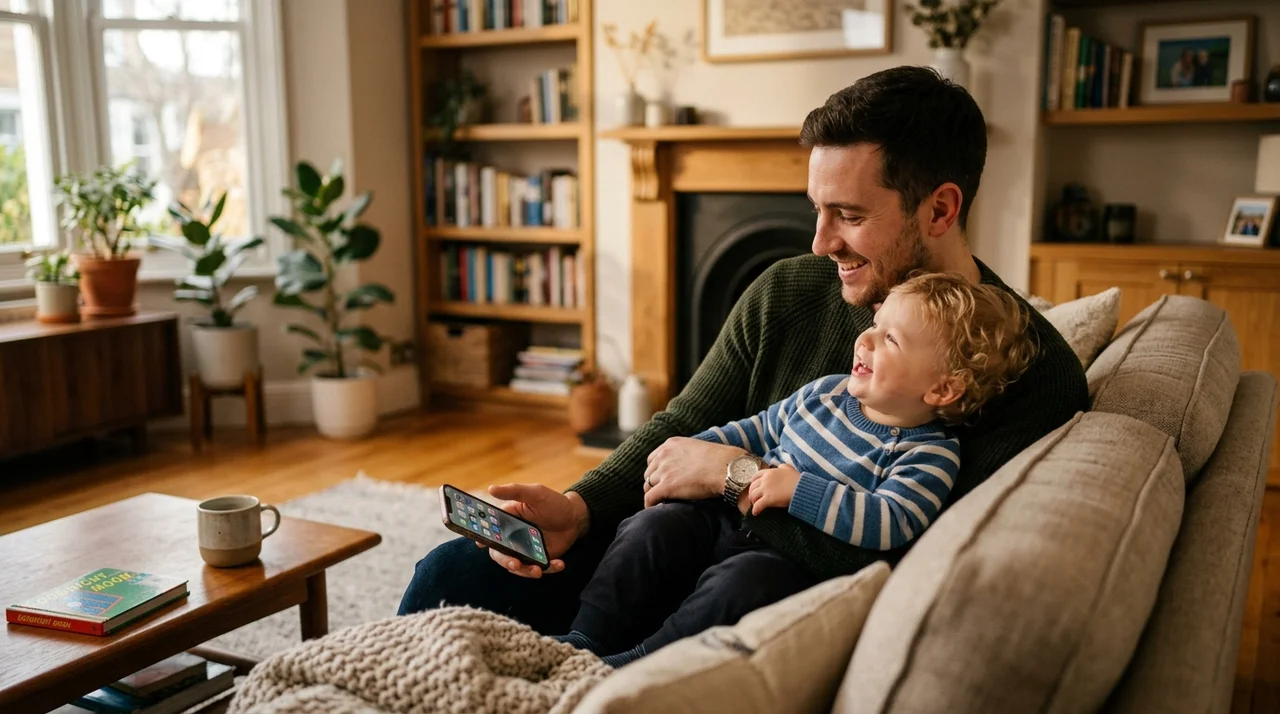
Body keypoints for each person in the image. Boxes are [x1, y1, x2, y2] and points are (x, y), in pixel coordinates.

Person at [398, 66, 1089, 655]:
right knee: (449, 575)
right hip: (671, 552)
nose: (820, 243)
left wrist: (733, 476)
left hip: (768, 600)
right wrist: (580, 509)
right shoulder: (789, 289)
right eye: (816, 210)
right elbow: (687, 423)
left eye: (849, 215)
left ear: (939, 210)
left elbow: (904, 549)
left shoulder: (1022, 370)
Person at [549, 272, 1037, 666]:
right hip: (724, 519)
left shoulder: (930, 453)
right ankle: (586, 637)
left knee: (742, 587)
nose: (865, 339)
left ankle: (639, 662)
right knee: (653, 527)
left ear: (943, 389)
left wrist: (799, 489)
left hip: (783, 560)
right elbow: (760, 428)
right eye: (875, 322)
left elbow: (892, 521)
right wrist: (699, 447)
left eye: (890, 339)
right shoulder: (826, 391)